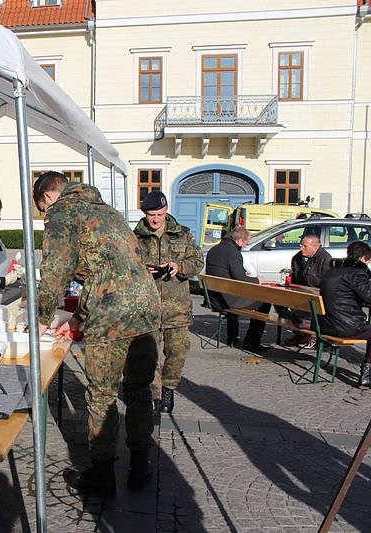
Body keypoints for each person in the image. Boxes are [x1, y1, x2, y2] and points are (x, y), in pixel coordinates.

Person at [32, 171, 161, 499]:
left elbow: (55, 269)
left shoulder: (62, 212)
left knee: (102, 394)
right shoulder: (108, 211)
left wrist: (40, 320)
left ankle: (103, 476)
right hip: (147, 304)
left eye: (43, 208)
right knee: (139, 390)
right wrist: (78, 318)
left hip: (111, 310)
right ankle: (140, 466)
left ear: (48, 197)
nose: (46, 214)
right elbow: (112, 265)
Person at [133, 191, 204, 414]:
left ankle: (169, 389)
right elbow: (126, 267)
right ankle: (153, 395)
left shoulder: (182, 234)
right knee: (149, 356)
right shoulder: (135, 237)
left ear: (166, 211)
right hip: (147, 308)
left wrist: (179, 267)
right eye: (151, 215)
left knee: (177, 352)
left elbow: (197, 261)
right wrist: (142, 270)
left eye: (160, 214)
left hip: (177, 309)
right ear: (145, 213)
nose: (156, 219)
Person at [205, 226, 271, 353]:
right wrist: (258, 280)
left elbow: (224, 271)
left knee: (244, 296)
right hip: (227, 299)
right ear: (240, 241)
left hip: (213, 297)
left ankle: (232, 337)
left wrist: (241, 273)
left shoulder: (214, 249)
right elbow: (241, 279)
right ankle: (251, 342)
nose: (245, 246)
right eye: (246, 243)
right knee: (264, 302)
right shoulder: (233, 252)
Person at [319, 241, 371, 388]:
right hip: (346, 327)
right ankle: (367, 375)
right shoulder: (357, 273)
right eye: (368, 260)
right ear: (363, 258)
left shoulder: (331, 272)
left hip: (326, 326)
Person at [284, 234, 332, 348]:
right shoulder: (297, 257)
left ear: (315, 247)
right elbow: (295, 278)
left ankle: (309, 334)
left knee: (309, 309)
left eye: (304, 246)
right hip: (302, 294)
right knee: (280, 302)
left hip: (317, 297)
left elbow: (327, 285)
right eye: (301, 245)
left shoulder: (325, 259)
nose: (301, 248)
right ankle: (300, 331)